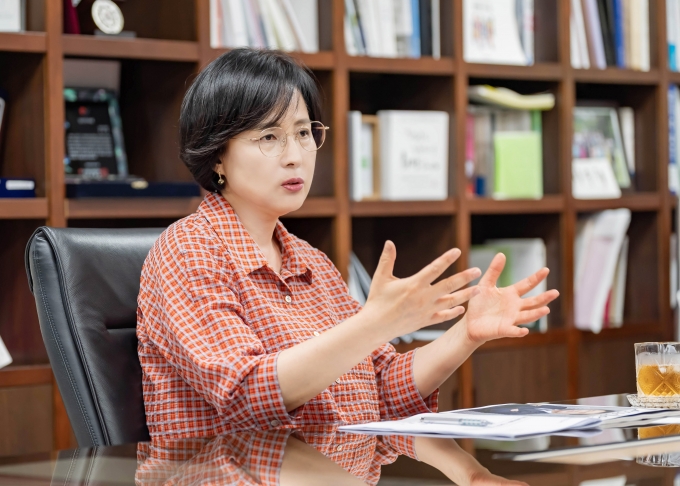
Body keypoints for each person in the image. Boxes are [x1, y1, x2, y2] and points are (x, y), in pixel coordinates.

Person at [136, 48, 559, 439]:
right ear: (217, 155)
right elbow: (244, 393)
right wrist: (375, 323)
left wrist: (465, 334)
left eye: (304, 133)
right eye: (269, 137)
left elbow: (381, 389)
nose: (295, 155)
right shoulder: (188, 250)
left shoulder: (310, 261)